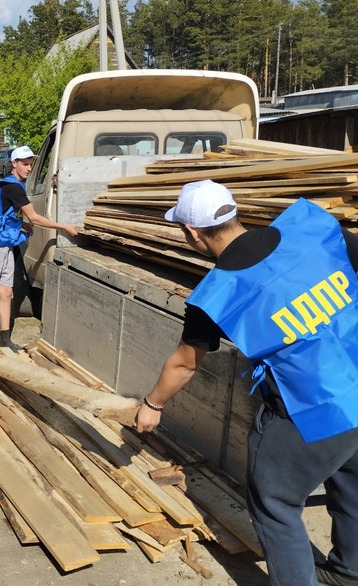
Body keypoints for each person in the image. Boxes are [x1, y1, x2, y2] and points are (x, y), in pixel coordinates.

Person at [135, 179, 358, 586]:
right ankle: (349, 572)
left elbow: (184, 365)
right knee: (352, 477)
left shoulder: (219, 293)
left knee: (275, 501)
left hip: (312, 407)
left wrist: (152, 405)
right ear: (233, 212)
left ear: (192, 233)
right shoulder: (313, 228)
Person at [0, 145, 79, 353]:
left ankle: (5, 340)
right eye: (24, 164)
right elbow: (35, 217)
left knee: (6, 292)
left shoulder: (11, 184)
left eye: (31, 164)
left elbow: (4, 213)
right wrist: (64, 227)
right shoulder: (13, 187)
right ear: (14, 164)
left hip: (4, 241)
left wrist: (20, 225)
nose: (29, 168)